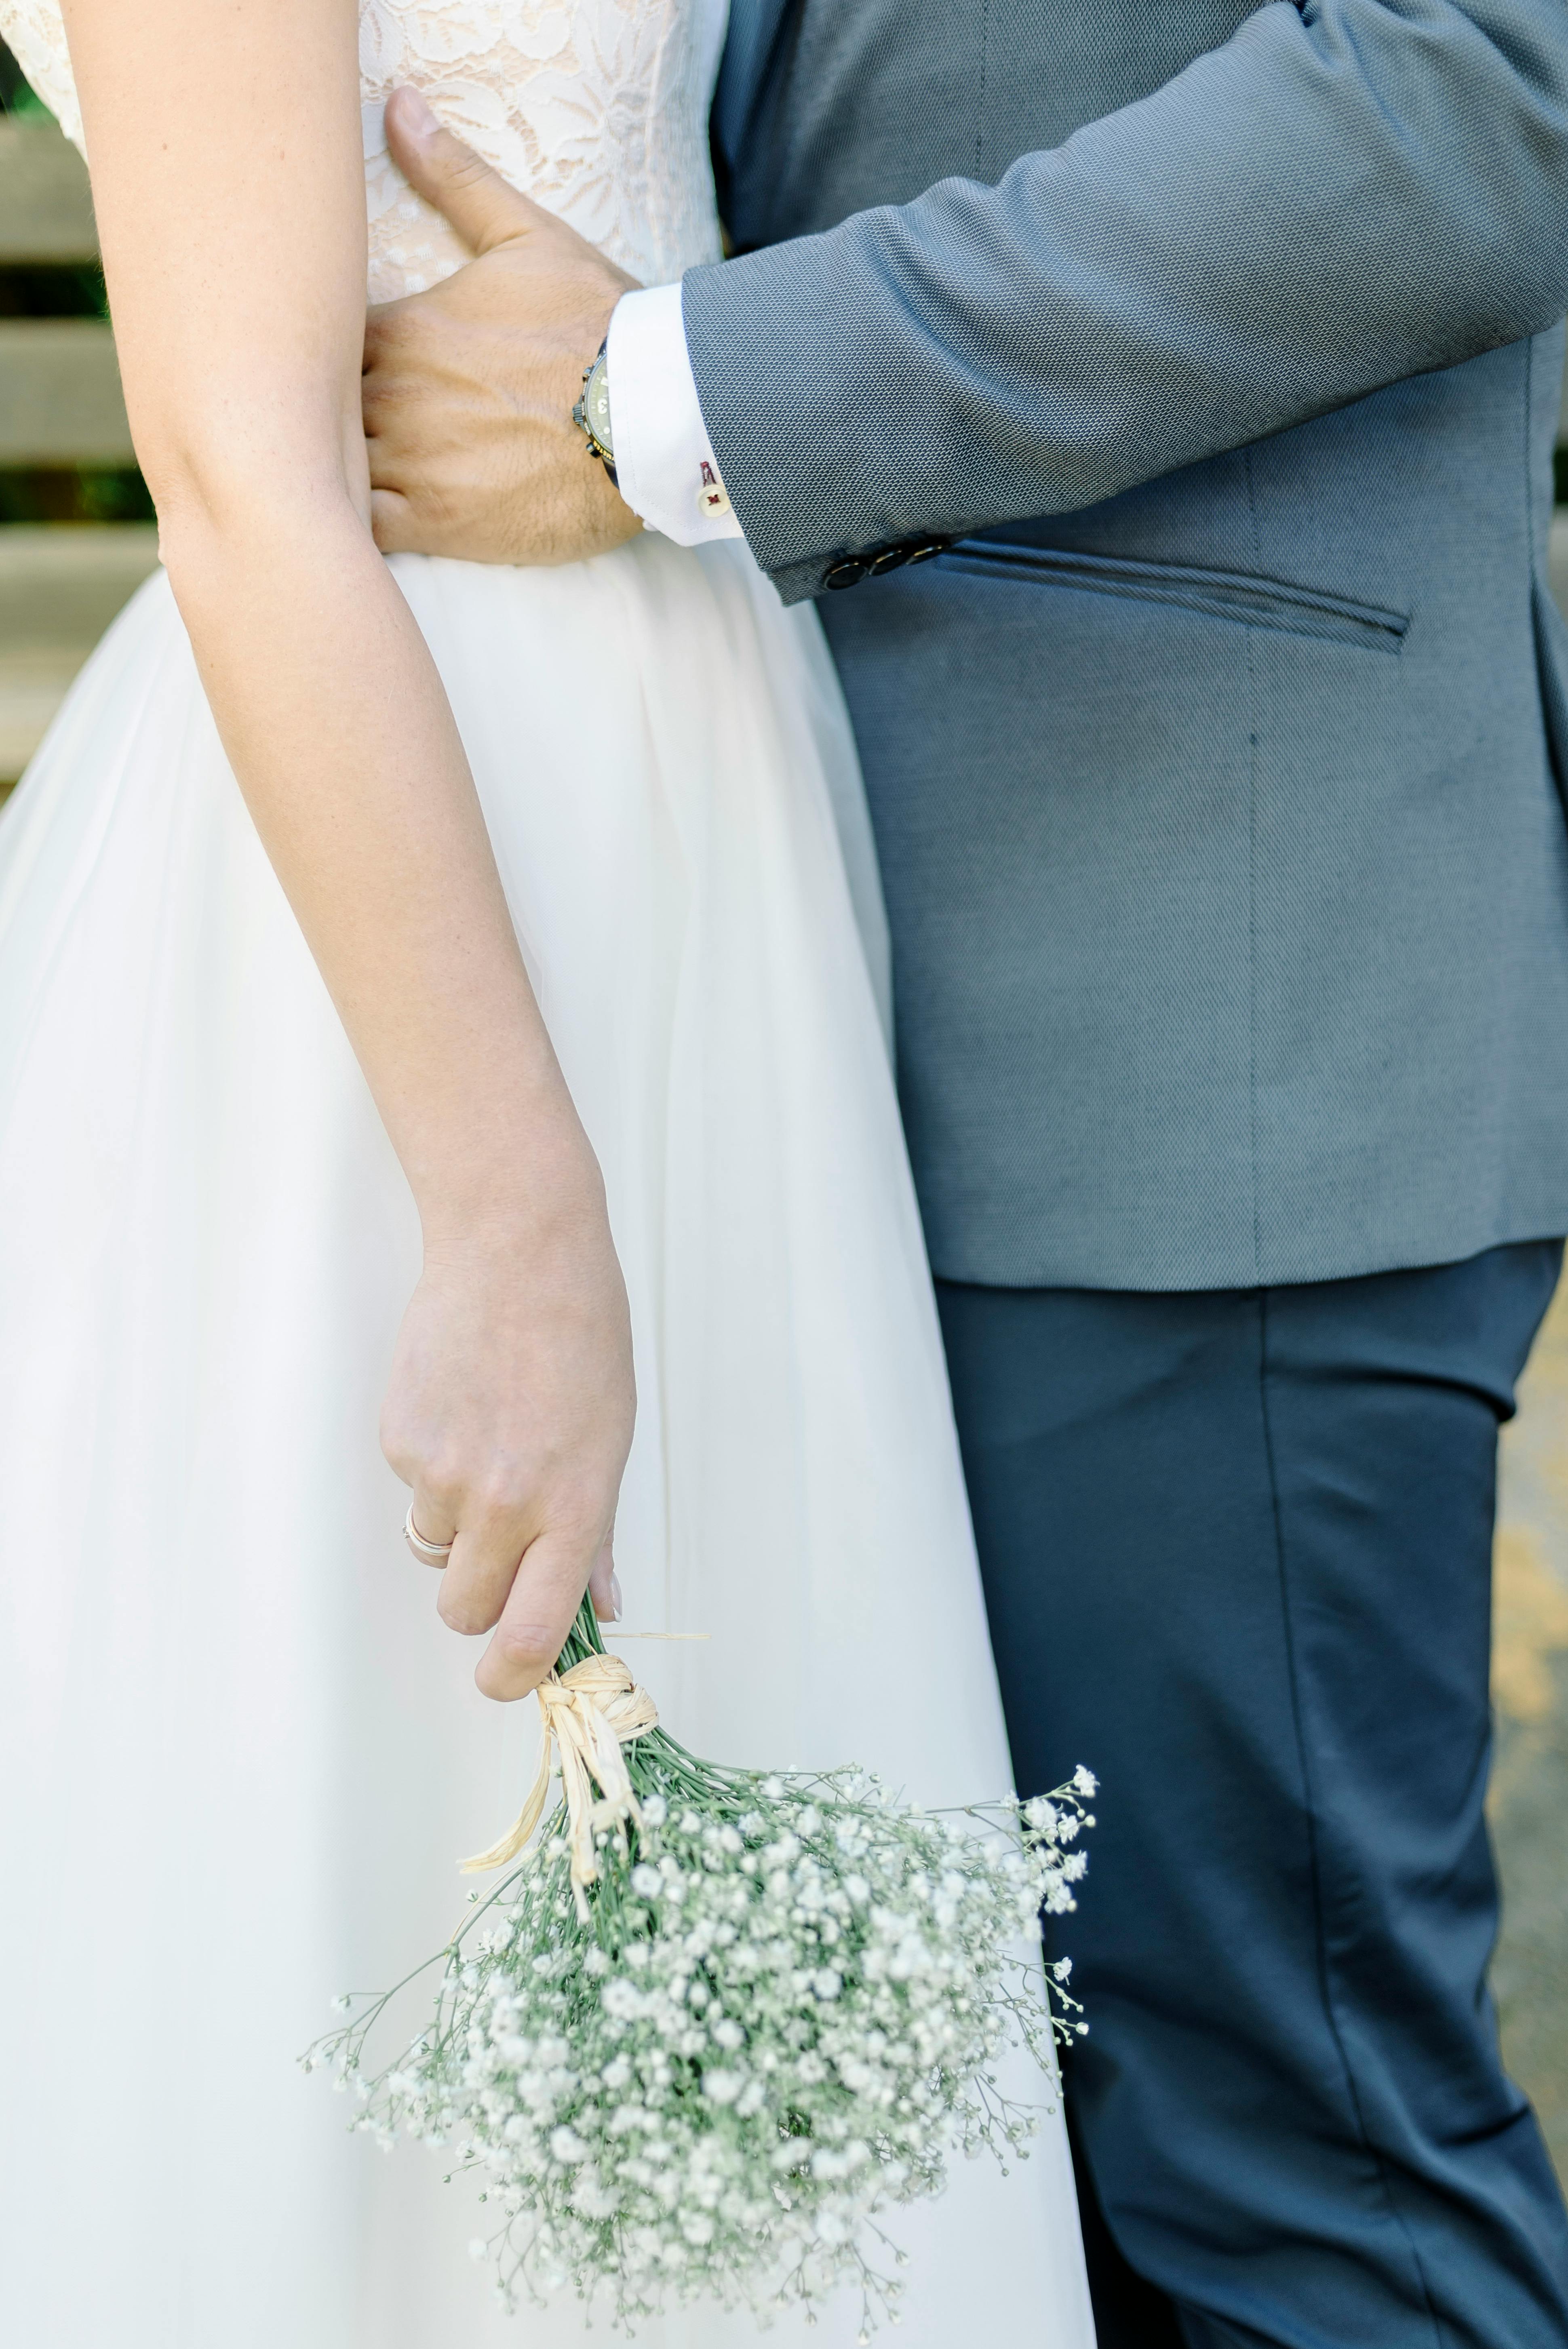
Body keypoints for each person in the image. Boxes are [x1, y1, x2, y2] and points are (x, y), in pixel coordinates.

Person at [351, 2, 1568, 2345]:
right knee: (921, 2223)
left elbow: (1479, 78)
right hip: (707, 1015)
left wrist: (676, 400)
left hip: (1174, 989)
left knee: (1276, 2186)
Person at [0, 4, 1094, 2345]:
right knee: (363, 1861)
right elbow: (240, 470)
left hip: (702, 782)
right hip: (413, 895)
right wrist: (509, 1212)